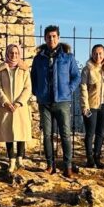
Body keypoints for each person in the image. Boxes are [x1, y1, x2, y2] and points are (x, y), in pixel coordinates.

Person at [31, 25, 80, 177]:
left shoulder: (68, 57)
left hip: (62, 101)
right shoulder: (39, 58)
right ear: (45, 38)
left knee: (65, 134)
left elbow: (76, 77)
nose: (51, 39)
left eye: (54, 36)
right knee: (47, 134)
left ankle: (67, 166)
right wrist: (37, 92)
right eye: (48, 37)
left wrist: (68, 89)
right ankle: (50, 165)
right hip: (44, 101)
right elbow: (33, 77)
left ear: (58, 38)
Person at [0, 43, 32, 174]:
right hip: (6, 107)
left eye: (16, 53)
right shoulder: (1, 70)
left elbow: (28, 88)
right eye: (11, 53)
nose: (14, 55)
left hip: (19, 107)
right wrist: (5, 102)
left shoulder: (24, 69)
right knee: (8, 133)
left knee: (21, 132)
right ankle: (11, 160)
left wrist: (19, 102)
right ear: (7, 54)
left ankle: (20, 159)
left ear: (19, 54)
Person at [80, 44, 104, 168]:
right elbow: (83, 88)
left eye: (100, 53)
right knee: (90, 132)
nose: (98, 56)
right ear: (92, 54)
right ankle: (90, 159)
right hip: (91, 105)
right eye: (95, 53)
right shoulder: (87, 69)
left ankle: (97, 157)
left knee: (101, 132)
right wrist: (85, 106)